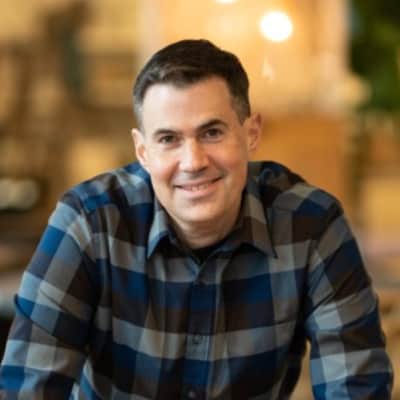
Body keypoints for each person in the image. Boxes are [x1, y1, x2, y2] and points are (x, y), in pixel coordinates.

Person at [0, 39, 393, 399]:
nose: (193, 162)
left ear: (251, 133)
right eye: (168, 139)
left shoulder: (312, 226)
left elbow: (356, 389)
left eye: (212, 133)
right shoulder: (88, 223)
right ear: (143, 151)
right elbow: (29, 388)